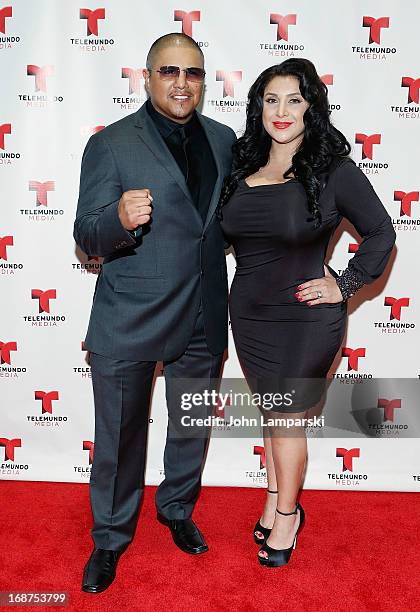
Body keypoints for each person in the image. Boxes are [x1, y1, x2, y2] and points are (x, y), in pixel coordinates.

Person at [74, 33, 236, 593]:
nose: (181, 82)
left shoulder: (224, 139)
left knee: (191, 424)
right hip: (131, 314)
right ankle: (111, 538)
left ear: (203, 80)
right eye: (169, 71)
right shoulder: (112, 143)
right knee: (119, 436)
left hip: (204, 311)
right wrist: (117, 216)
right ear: (146, 78)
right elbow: (86, 233)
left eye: (193, 72)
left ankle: (176, 508)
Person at [219, 58, 396, 568]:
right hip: (250, 316)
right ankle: (275, 501)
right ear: (258, 108)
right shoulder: (242, 168)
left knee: (285, 416)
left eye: (294, 100)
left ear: (311, 107)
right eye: (270, 100)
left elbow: (382, 232)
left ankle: (289, 517)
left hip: (304, 319)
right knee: (273, 416)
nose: (281, 111)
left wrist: (347, 284)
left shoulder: (333, 171)